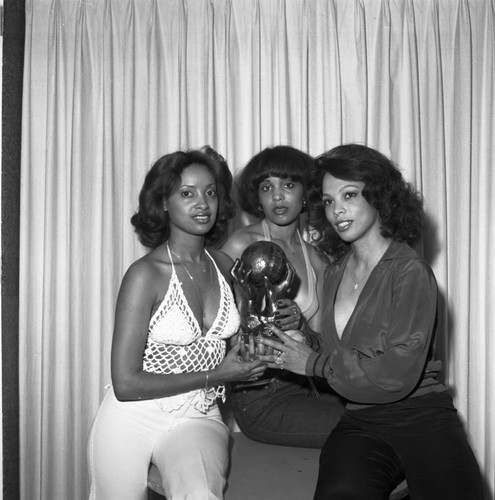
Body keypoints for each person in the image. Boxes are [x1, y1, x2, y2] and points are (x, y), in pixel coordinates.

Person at [259, 143, 484, 499]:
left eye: (350, 195)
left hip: (421, 416)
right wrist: (301, 342)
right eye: (329, 201)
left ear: (379, 198)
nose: (337, 210)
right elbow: (339, 352)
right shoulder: (333, 273)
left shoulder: (410, 271)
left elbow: (396, 372)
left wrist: (314, 364)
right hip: (361, 421)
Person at [87, 149, 267, 500]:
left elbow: (242, 338)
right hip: (131, 417)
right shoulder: (145, 275)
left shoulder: (226, 265)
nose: (202, 203)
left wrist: (269, 329)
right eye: (187, 193)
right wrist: (221, 375)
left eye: (210, 192)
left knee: (200, 493)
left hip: (198, 414)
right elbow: (125, 383)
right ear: (164, 203)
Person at [221, 145, 345, 448]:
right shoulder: (242, 244)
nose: (277, 196)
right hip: (261, 394)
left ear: (306, 194)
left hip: (312, 385)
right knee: (360, 432)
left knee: (386, 421)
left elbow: (323, 341)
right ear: (258, 198)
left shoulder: (319, 261)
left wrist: (301, 324)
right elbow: (214, 325)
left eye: (288, 185)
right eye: (267, 187)